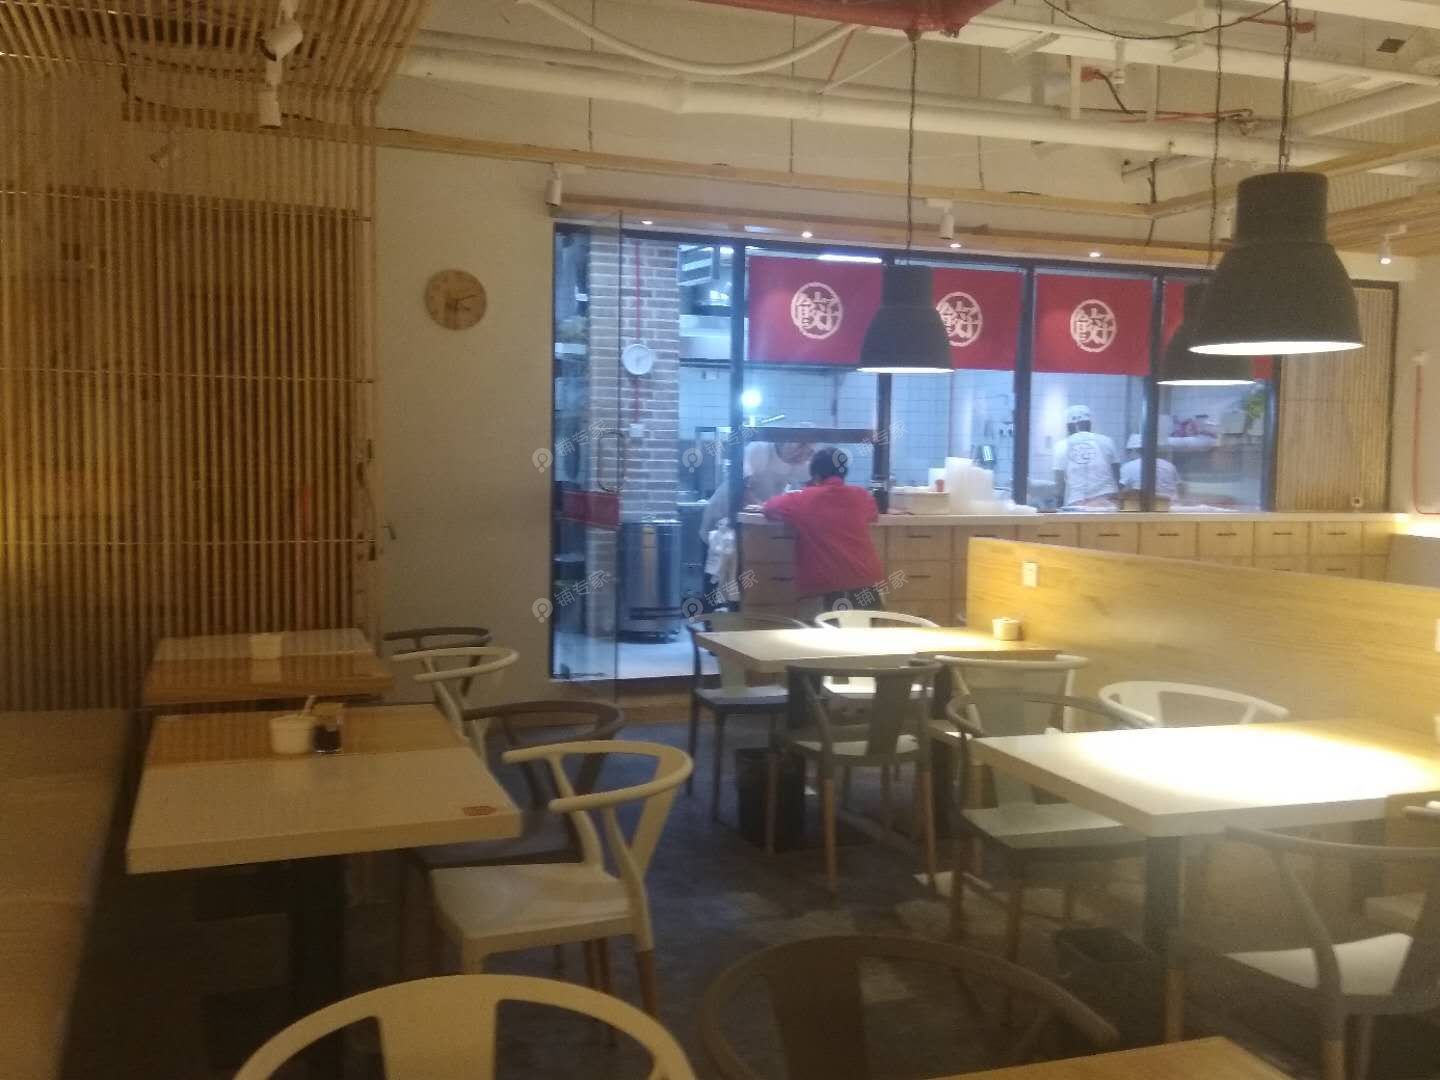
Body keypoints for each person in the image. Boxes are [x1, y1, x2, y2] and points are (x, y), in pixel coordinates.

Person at [761, 447, 885, 611]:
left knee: (821, 625)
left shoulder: (802, 499)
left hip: (825, 590)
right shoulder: (862, 496)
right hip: (868, 589)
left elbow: (769, 508)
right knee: (868, 627)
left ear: (816, 476)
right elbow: (873, 514)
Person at [1052, 404, 1119, 509]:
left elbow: (1059, 483)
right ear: (1090, 423)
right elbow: (1117, 475)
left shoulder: (1061, 446)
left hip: (1077, 503)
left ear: (1068, 426)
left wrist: (1058, 503)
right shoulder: (1107, 441)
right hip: (1106, 501)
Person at [1118, 433, 1180, 502]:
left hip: (1145, 505)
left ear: (1136, 450)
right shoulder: (1169, 465)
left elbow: (1121, 491)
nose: (1129, 455)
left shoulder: (1128, 466)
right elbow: (1178, 487)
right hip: (1172, 505)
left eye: (1129, 451)